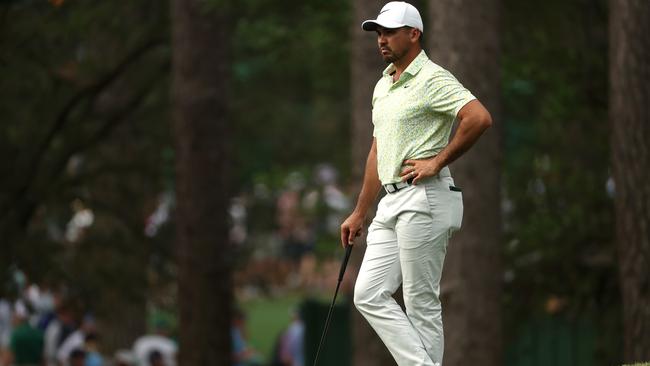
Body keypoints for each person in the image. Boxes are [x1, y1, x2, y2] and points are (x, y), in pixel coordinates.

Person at [340, 2, 493, 366]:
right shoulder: (383, 85)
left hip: (426, 199)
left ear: (414, 34)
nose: (382, 40)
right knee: (368, 294)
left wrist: (437, 161)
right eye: (378, 33)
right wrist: (360, 212)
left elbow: (478, 118)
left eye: (390, 31)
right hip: (390, 204)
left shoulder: (433, 78)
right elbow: (378, 151)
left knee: (420, 301)